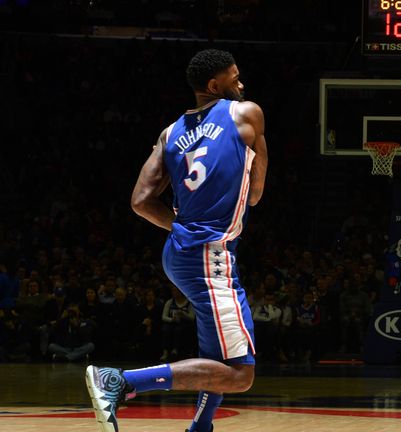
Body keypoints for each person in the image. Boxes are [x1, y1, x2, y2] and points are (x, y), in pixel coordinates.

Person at [85, 48, 268, 432]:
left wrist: (182, 228)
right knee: (239, 373)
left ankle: (200, 428)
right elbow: (254, 194)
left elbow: (140, 201)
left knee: (216, 355)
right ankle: (119, 381)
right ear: (214, 85)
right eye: (235, 78)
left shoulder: (169, 133)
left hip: (181, 253)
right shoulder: (246, 113)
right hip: (210, 255)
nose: (242, 84)